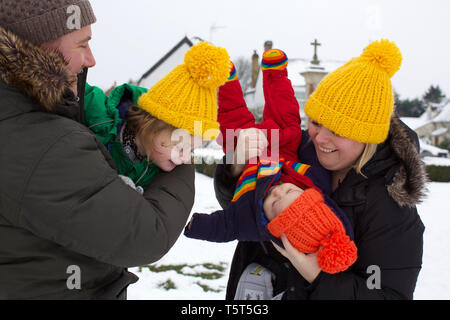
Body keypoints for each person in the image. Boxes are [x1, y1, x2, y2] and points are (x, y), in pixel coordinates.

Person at [0, 0, 193, 299]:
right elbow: (147, 234)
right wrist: (181, 156)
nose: (91, 60)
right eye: (82, 44)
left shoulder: (25, 115)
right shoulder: (42, 143)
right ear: (40, 47)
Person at [214, 39, 426, 299]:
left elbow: (388, 294)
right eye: (316, 122)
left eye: (337, 131)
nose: (319, 138)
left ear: (367, 137)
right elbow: (236, 207)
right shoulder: (298, 150)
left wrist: (318, 276)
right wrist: (237, 163)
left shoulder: (388, 205)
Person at [185, 50, 357, 275]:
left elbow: (225, 227)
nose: (278, 192)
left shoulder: (250, 220)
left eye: (275, 204)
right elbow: (339, 220)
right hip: (282, 149)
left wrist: (194, 226)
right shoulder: (319, 182)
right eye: (290, 191)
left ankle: (223, 80)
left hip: (248, 161)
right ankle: (276, 76)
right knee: (289, 124)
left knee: (232, 122)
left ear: (273, 225)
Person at [83, 42, 230, 191]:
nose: (186, 159)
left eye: (191, 150)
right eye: (181, 148)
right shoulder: (99, 116)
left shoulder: (157, 167)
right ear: (150, 124)